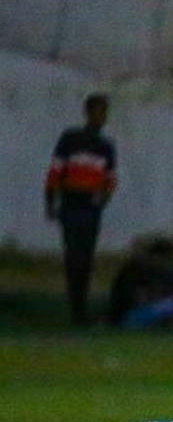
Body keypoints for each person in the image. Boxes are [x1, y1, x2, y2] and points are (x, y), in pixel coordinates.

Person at [43, 92, 117, 325]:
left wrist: (102, 200)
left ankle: (80, 309)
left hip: (90, 207)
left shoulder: (106, 145)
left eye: (104, 112)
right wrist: (50, 201)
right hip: (71, 203)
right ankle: (76, 308)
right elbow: (55, 171)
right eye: (98, 111)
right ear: (87, 112)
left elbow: (110, 179)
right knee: (73, 257)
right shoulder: (70, 139)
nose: (101, 117)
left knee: (86, 258)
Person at [107, 234, 173, 329]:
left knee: (172, 304)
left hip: (144, 312)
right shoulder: (134, 272)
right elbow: (139, 299)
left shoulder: (166, 274)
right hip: (129, 316)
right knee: (171, 305)